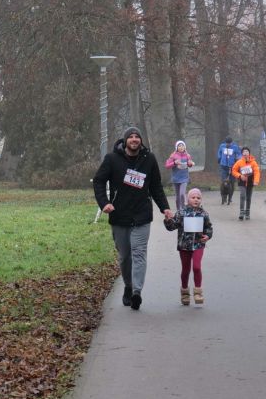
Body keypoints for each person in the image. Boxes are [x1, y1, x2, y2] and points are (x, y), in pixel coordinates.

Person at [92, 126, 174, 311]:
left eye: (138, 137)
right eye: (131, 137)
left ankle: (137, 292)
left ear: (141, 141)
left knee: (139, 254)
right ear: (125, 140)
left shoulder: (149, 159)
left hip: (142, 215)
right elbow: (98, 181)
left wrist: (165, 208)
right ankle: (128, 286)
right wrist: (104, 203)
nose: (135, 139)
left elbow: (155, 187)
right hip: (119, 214)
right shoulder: (112, 159)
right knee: (125, 257)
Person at [165, 186, 215, 305]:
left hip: (198, 245)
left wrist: (208, 236)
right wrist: (168, 220)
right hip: (184, 246)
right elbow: (172, 227)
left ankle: (198, 292)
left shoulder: (204, 214)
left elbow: (209, 228)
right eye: (193, 197)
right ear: (188, 199)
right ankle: (185, 293)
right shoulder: (181, 213)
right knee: (186, 270)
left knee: (197, 267)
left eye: (198, 197)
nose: (196, 199)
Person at [230, 147, 262, 220]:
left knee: (248, 198)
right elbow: (234, 171)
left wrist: (256, 181)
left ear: (249, 153)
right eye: (244, 152)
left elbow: (257, 172)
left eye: (246, 151)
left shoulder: (253, 162)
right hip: (242, 182)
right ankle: (241, 212)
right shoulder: (239, 162)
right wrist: (240, 175)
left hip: (250, 182)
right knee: (242, 195)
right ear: (242, 153)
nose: (245, 153)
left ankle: (247, 212)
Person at [165, 140, 194, 209]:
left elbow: (190, 164)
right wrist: (174, 163)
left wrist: (190, 164)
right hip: (176, 178)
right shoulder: (173, 155)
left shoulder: (187, 155)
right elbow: (167, 166)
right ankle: (178, 211)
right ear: (176, 147)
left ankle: (183, 209)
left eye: (182, 145)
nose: (181, 147)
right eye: (179, 146)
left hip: (184, 178)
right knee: (177, 197)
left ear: (185, 147)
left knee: (182, 194)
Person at [216, 136, 240, 205]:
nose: (228, 144)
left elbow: (239, 154)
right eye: (227, 143)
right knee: (224, 182)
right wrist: (219, 158)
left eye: (229, 143)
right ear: (225, 142)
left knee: (231, 183)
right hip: (224, 166)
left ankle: (230, 197)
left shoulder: (235, 147)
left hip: (232, 167)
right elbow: (219, 152)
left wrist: (237, 158)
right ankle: (224, 197)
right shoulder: (222, 146)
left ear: (232, 142)